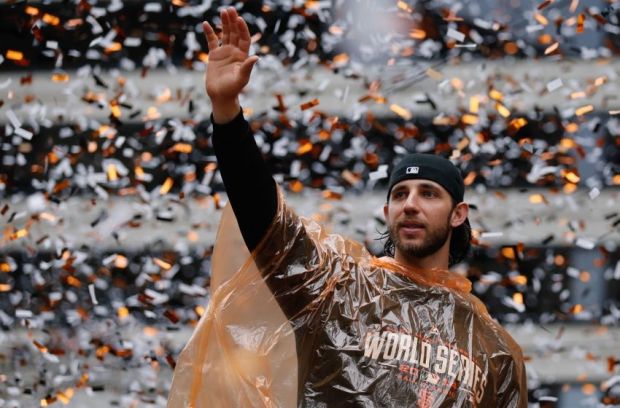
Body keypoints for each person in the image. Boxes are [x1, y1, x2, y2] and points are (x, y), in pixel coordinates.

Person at [168, 7, 527, 407]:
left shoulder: (493, 349)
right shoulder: (337, 290)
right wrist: (227, 112)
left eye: (428, 193)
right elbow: (264, 220)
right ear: (387, 212)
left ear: (458, 214)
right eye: (399, 194)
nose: (410, 204)